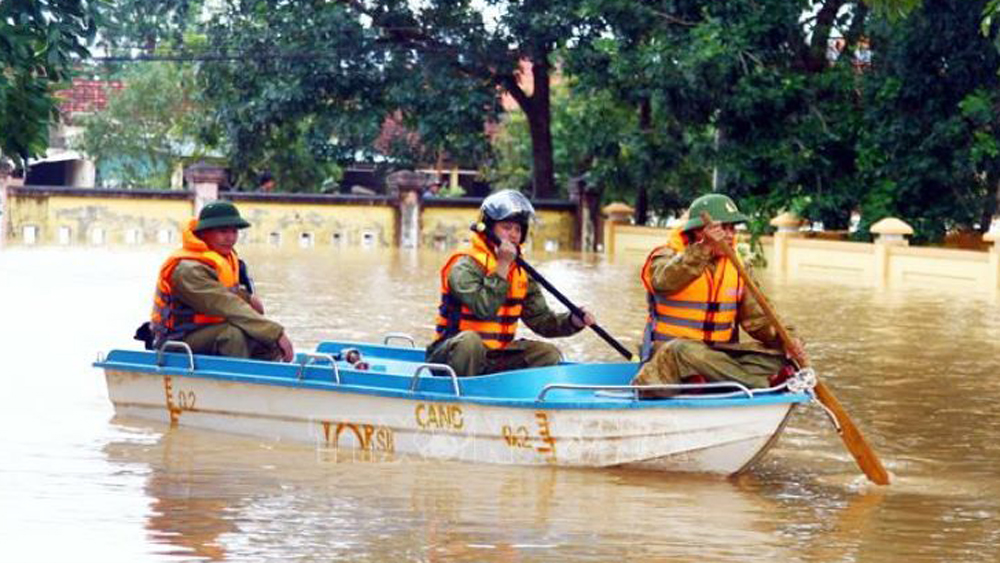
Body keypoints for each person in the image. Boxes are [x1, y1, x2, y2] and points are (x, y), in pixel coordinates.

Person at [633, 194, 805, 397]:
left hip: (717, 359)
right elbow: (662, 282)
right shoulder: (664, 257)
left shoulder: (738, 267)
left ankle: (710, 381)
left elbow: (758, 320)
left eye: (733, 229)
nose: (730, 235)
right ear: (698, 231)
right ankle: (760, 385)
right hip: (669, 361)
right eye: (723, 228)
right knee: (683, 350)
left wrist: (788, 341)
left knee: (781, 359)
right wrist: (704, 248)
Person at [426, 190, 596, 376]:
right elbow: (484, 308)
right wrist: (502, 266)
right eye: (506, 227)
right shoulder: (464, 265)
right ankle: (461, 397)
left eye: (518, 229)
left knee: (547, 354)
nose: (513, 235)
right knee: (470, 342)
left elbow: (541, 320)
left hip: (494, 357)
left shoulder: (520, 272)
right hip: (450, 358)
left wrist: (573, 321)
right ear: (489, 228)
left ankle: (516, 400)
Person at [149, 201, 294, 362]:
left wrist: (248, 298)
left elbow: (225, 292)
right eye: (223, 231)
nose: (230, 238)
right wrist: (276, 332)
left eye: (234, 231)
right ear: (203, 233)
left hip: (207, 331)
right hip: (177, 340)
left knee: (264, 339)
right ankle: (238, 383)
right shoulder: (188, 270)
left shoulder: (223, 258)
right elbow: (224, 303)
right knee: (232, 335)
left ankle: (270, 380)